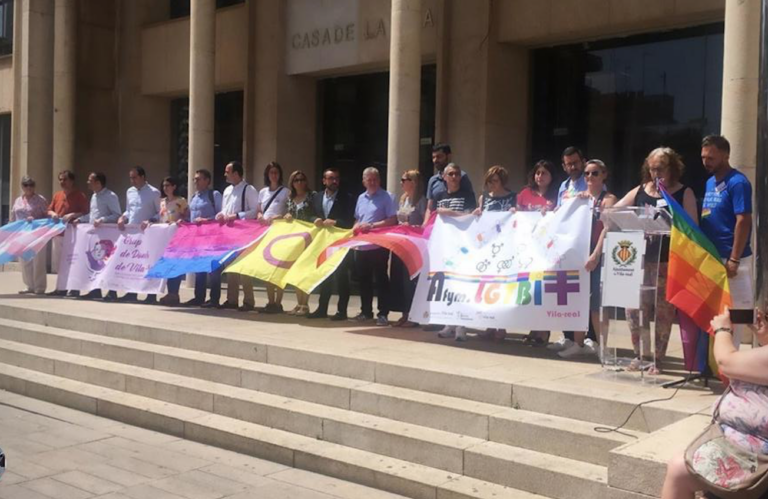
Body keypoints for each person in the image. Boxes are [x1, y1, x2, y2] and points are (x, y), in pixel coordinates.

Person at [660, 307, 768, 499]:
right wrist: (765, 337)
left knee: (679, 470)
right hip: (743, 443)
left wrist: (722, 330)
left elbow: (726, 362)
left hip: (757, 460)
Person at [614, 147, 699, 372]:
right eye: (651, 169)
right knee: (634, 309)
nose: (655, 174)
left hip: (667, 262)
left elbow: (693, 229)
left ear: (672, 168)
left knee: (663, 311)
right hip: (639, 260)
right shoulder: (641, 190)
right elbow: (615, 210)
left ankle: (657, 359)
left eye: (660, 169)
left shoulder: (684, 192)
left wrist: (668, 228)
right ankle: (640, 354)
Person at [557, 159, 616, 359]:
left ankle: (602, 347)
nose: (590, 177)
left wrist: (596, 254)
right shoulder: (580, 198)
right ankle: (578, 342)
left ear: (604, 175)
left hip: (598, 254)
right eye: (587, 174)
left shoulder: (608, 199)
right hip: (578, 255)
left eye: (595, 173)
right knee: (578, 300)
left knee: (597, 305)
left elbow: (607, 229)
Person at [700, 135, 754, 347]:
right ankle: (719, 363)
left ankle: (736, 361)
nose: (706, 161)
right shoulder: (709, 182)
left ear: (726, 155)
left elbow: (743, 220)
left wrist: (734, 258)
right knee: (718, 311)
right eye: (704, 157)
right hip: (712, 256)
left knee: (738, 312)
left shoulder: (738, 182)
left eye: (711, 157)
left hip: (732, 258)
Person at [549, 146, 596, 352]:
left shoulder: (590, 182)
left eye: (575, 163)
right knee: (566, 290)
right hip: (566, 245)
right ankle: (567, 336)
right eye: (568, 164)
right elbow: (560, 211)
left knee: (587, 292)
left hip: (585, 243)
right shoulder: (563, 186)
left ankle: (590, 337)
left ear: (583, 161)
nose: (573, 167)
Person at [429, 163, 477, 341]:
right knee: (447, 284)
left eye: (457, 174)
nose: (454, 177)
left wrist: (448, 212)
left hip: (463, 245)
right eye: (451, 174)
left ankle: (461, 326)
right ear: (445, 177)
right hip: (444, 246)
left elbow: (469, 215)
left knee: (461, 284)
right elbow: (435, 215)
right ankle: (448, 323)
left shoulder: (468, 195)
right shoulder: (438, 194)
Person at [473, 165, 515, 341]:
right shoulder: (484, 198)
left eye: (495, 181)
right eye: (489, 181)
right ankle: (490, 323)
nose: (492, 184)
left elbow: (517, 219)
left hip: (505, 247)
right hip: (488, 248)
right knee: (488, 285)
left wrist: (514, 213)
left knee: (503, 285)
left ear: (502, 181)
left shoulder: (512, 197)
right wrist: (476, 213)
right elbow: (479, 220)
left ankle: (502, 325)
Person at [518, 160, 558, 346]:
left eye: (544, 173)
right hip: (527, 247)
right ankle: (532, 328)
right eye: (537, 173)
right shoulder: (525, 193)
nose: (540, 176)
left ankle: (543, 331)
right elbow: (515, 212)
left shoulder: (557, 195)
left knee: (544, 288)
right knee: (531, 289)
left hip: (547, 248)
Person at [308, 168, 355, 321]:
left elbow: (350, 221)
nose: (334, 181)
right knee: (324, 276)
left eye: (336, 178)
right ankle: (322, 309)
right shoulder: (316, 197)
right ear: (324, 181)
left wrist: (335, 222)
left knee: (341, 277)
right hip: (322, 243)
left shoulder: (347, 198)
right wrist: (314, 219)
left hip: (339, 243)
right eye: (330, 178)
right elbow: (309, 214)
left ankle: (342, 311)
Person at [353, 167, 397, 326]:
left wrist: (371, 226)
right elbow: (358, 219)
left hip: (379, 245)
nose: (371, 182)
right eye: (368, 179)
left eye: (374, 179)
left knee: (381, 280)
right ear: (364, 181)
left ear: (379, 180)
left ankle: (383, 313)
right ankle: (366, 311)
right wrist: (354, 230)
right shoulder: (360, 198)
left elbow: (392, 220)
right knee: (363, 280)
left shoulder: (388, 197)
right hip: (362, 246)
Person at [111, 166, 161, 304]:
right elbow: (129, 211)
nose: (132, 181)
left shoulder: (154, 193)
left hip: (148, 234)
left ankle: (151, 295)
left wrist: (150, 220)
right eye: (130, 178)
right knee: (132, 264)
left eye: (135, 177)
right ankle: (131, 292)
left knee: (147, 264)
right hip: (132, 234)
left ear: (143, 177)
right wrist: (122, 218)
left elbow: (160, 213)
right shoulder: (129, 192)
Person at [217, 161, 260, 311]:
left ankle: (248, 301)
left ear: (236, 173)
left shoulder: (249, 189)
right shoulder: (227, 190)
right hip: (229, 233)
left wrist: (237, 216)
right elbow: (224, 209)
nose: (225, 174)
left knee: (244, 268)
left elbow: (255, 211)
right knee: (230, 267)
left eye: (227, 172)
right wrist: (221, 215)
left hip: (244, 233)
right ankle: (232, 300)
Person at [74, 172, 122, 300]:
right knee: (96, 263)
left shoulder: (110, 196)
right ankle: (95, 290)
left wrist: (102, 220)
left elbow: (117, 215)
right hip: (95, 237)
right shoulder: (94, 196)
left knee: (109, 263)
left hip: (108, 237)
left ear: (98, 183)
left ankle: (112, 292)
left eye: (90, 180)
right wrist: (81, 219)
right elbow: (92, 215)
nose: (87, 183)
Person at [392, 169, 427, 328]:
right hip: (401, 243)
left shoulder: (421, 201)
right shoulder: (403, 199)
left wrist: (411, 227)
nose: (401, 182)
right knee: (399, 279)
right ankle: (404, 314)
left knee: (410, 281)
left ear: (413, 182)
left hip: (414, 244)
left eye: (404, 179)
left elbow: (424, 226)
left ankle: (414, 316)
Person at [184, 168, 223, 308]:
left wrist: (207, 220)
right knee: (198, 267)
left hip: (212, 237)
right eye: (195, 179)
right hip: (197, 238)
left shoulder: (215, 195)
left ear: (207, 180)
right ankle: (199, 297)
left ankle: (214, 299)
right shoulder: (194, 197)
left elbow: (221, 215)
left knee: (213, 269)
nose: (195, 181)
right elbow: (190, 216)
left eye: (198, 179)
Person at [46, 170, 89, 296]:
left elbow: (86, 212)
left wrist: (73, 215)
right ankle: (61, 288)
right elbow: (49, 210)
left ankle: (74, 288)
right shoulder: (57, 195)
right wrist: (53, 214)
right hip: (58, 233)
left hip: (73, 234)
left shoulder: (79, 195)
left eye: (65, 179)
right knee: (59, 263)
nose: (62, 182)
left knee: (73, 261)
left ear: (71, 181)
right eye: (60, 179)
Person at [256, 161, 290, 314]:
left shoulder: (286, 192)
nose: (274, 175)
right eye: (271, 172)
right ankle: (270, 302)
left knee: (279, 268)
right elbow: (258, 210)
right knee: (268, 268)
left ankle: (278, 302)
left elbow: (289, 212)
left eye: (276, 172)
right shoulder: (262, 192)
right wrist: (260, 216)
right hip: (265, 232)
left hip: (280, 233)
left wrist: (278, 217)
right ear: (267, 175)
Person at [283, 170, 315, 316]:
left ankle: (305, 304)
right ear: (292, 183)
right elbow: (286, 214)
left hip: (308, 239)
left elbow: (316, 214)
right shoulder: (290, 198)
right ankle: (299, 302)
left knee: (305, 271)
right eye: (296, 180)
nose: (299, 182)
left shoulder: (312, 197)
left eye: (302, 179)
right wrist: (286, 216)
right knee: (295, 271)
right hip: (294, 239)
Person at [11, 177, 49, 295]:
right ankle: (29, 285)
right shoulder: (18, 200)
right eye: (26, 185)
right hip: (22, 233)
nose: (29, 187)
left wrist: (35, 220)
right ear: (22, 186)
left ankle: (39, 287)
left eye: (31, 185)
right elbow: (13, 216)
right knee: (25, 260)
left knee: (38, 260)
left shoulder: (40, 199)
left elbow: (46, 215)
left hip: (37, 233)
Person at [156, 177, 189, 307]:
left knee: (175, 265)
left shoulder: (181, 201)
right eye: (164, 185)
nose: (165, 188)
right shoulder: (162, 202)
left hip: (177, 237)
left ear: (174, 186)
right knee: (167, 265)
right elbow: (159, 216)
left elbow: (186, 217)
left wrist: (178, 223)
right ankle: (170, 293)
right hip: (164, 237)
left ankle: (174, 293)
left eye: (168, 185)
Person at [426, 143, 476, 211]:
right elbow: (429, 208)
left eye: (439, 157)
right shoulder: (433, 180)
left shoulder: (462, 176)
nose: (435, 160)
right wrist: (426, 221)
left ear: (448, 156)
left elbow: (470, 204)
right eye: (433, 157)